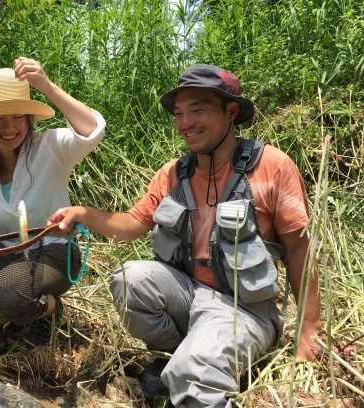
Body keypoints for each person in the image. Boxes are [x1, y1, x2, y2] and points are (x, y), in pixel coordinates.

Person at [48, 64, 321, 407]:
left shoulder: (272, 166)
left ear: (231, 111)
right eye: (179, 114)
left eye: (198, 110)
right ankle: (182, 352)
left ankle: (195, 363)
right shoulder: (174, 174)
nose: (185, 123)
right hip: (188, 294)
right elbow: (132, 223)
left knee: (193, 372)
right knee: (130, 279)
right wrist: (83, 213)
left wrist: (309, 332)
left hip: (243, 308)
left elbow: (299, 251)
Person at [0, 57, 106, 377]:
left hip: (54, 251)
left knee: (9, 293)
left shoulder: (52, 146)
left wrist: (46, 85)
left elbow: (93, 129)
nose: (8, 126)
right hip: (6, 254)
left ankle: (50, 311)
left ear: (30, 118)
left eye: (17, 116)